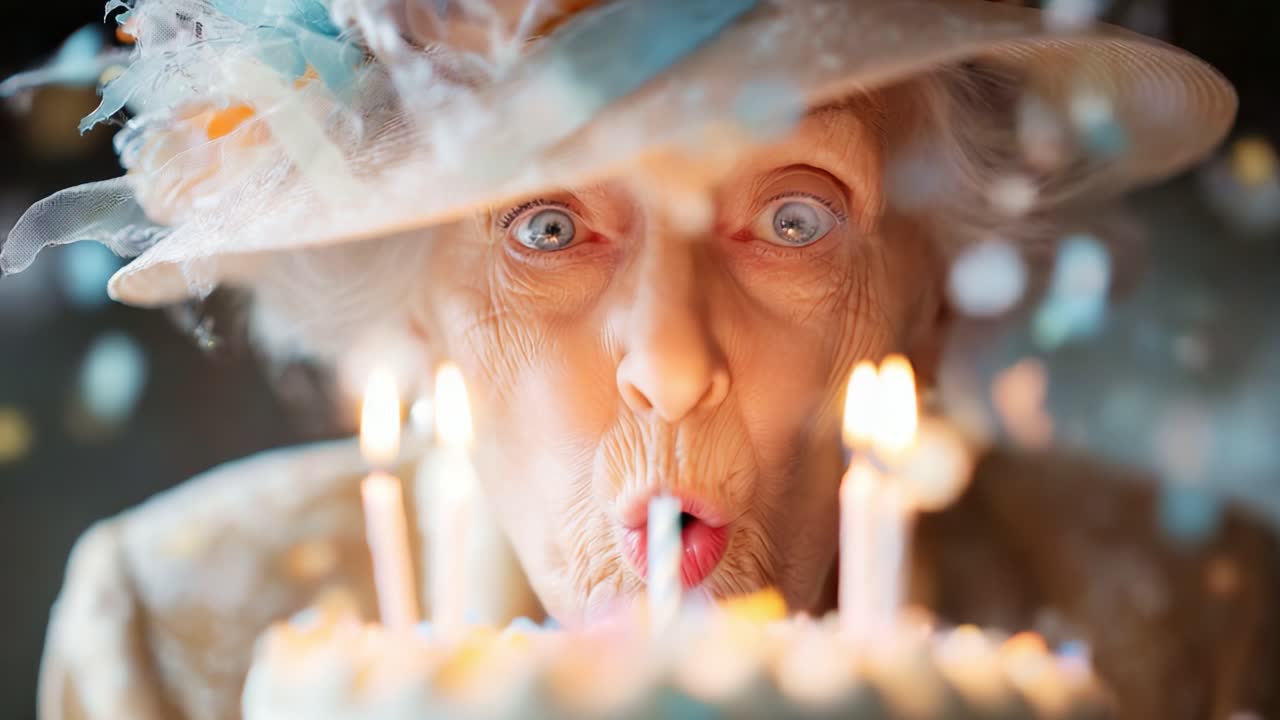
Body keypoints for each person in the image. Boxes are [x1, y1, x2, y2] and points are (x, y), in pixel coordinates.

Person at [4, 1, 1273, 718]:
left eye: (793, 218)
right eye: (547, 228)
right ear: (414, 310)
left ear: (923, 297)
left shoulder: (1175, 624)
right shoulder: (175, 641)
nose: (670, 364)